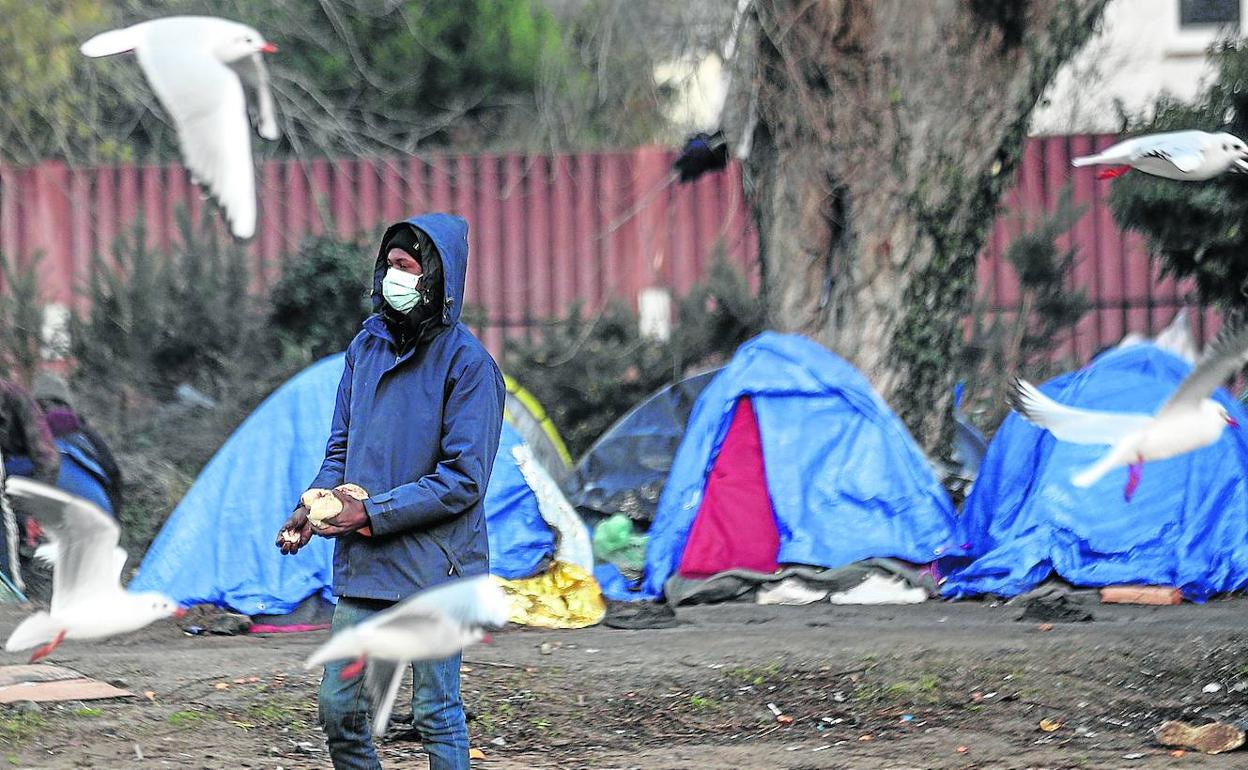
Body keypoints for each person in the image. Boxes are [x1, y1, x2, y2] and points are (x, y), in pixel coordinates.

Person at [276, 213, 504, 770]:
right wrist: (313, 504)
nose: (393, 277)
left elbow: (463, 480)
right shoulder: (365, 349)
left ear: (437, 280)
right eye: (390, 266)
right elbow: (340, 449)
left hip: (439, 567)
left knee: (434, 711)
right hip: (369, 565)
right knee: (341, 711)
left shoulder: (470, 366)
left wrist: (369, 513)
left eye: (407, 267)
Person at [31, 372, 124, 515]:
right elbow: (114, 476)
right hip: (96, 507)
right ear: (67, 403)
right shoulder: (87, 433)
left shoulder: (28, 430)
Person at [0, 374, 60, 590]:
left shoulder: (19, 400)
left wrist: (32, 509)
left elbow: (48, 460)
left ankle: (11, 588)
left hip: (33, 474)